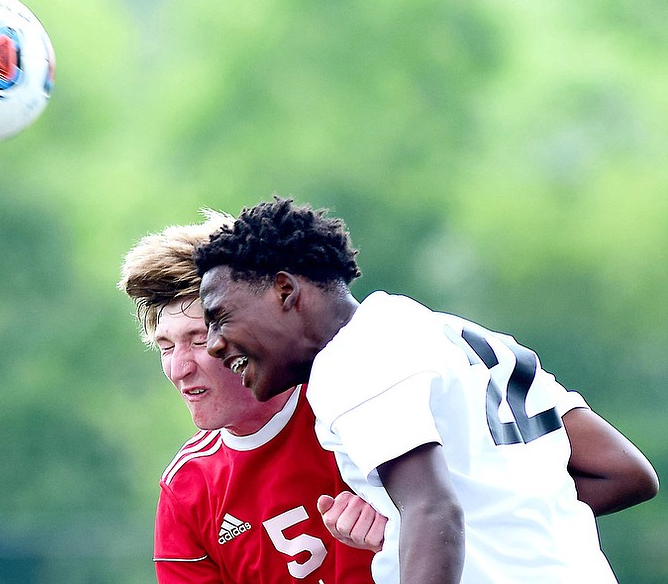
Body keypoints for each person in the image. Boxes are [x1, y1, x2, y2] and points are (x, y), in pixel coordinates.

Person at [193, 197, 660, 584]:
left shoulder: (353, 358)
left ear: (284, 290)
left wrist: (427, 529)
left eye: (219, 317)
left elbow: (432, 510)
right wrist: (504, 524)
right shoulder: (453, 333)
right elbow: (622, 472)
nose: (213, 345)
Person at [118, 211, 386, 583]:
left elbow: (462, 515)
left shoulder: (360, 403)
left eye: (198, 340)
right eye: (166, 347)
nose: (179, 369)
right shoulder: (188, 489)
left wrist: (397, 536)